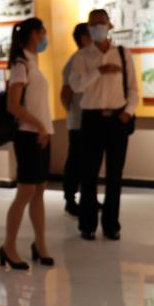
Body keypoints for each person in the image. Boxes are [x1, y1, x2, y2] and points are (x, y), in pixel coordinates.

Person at [69, 9, 138, 241]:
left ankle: (111, 225)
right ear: (88, 27)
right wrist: (99, 70)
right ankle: (87, 224)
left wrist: (128, 112)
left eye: (101, 23)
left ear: (110, 25)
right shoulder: (82, 56)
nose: (98, 27)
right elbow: (77, 86)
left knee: (114, 175)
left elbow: (133, 88)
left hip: (118, 119)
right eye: (93, 24)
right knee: (88, 174)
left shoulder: (123, 54)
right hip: (92, 119)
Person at [0, 17, 55, 270]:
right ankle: (8, 246)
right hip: (28, 135)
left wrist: (44, 129)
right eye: (43, 32)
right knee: (25, 192)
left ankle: (40, 244)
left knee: (39, 190)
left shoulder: (33, 61)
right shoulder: (20, 63)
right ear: (34, 34)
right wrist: (39, 126)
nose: (45, 37)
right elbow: (13, 105)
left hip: (41, 133)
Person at [60, 22, 93, 217]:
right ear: (84, 38)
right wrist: (73, 114)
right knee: (76, 161)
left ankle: (88, 198)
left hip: (89, 120)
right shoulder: (75, 61)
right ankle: (70, 199)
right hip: (79, 122)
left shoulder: (88, 59)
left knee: (89, 162)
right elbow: (65, 93)